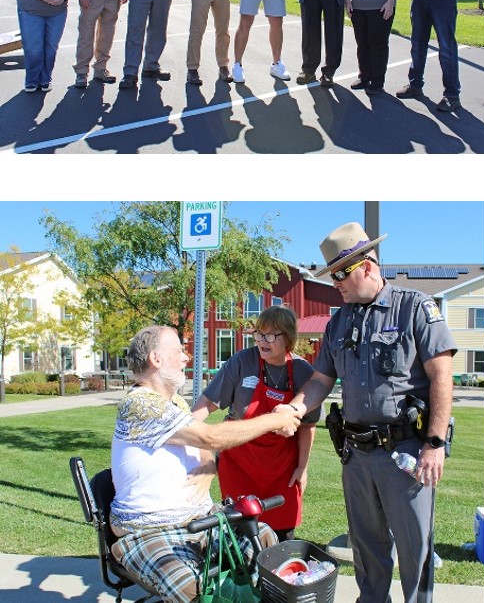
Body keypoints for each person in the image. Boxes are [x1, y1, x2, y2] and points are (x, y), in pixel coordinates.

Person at [279, 221, 457, 603]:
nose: (335, 284)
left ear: (368, 265)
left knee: (415, 550)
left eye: (340, 274)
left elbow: (442, 376)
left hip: (406, 452)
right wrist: (294, 408)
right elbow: (321, 381)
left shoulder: (415, 308)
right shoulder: (338, 321)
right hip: (356, 454)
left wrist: (435, 444)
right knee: (367, 549)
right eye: (331, 276)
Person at [109, 325, 301, 603]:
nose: (186, 357)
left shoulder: (174, 402)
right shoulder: (140, 404)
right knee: (193, 589)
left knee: (267, 545)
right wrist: (276, 419)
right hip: (149, 530)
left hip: (200, 520)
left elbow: (203, 447)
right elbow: (210, 437)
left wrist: (209, 467)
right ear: (156, 359)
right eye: (178, 351)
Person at [191, 305, 319, 542]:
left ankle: (277, 577)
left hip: (282, 470)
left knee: (283, 533)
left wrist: (302, 468)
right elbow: (208, 403)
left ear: (288, 337)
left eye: (270, 335)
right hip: (240, 465)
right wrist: (186, 430)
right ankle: (243, 579)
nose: (262, 340)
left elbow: (307, 426)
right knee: (239, 532)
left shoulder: (302, 371)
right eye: (259, 334)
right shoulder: (242, 362)